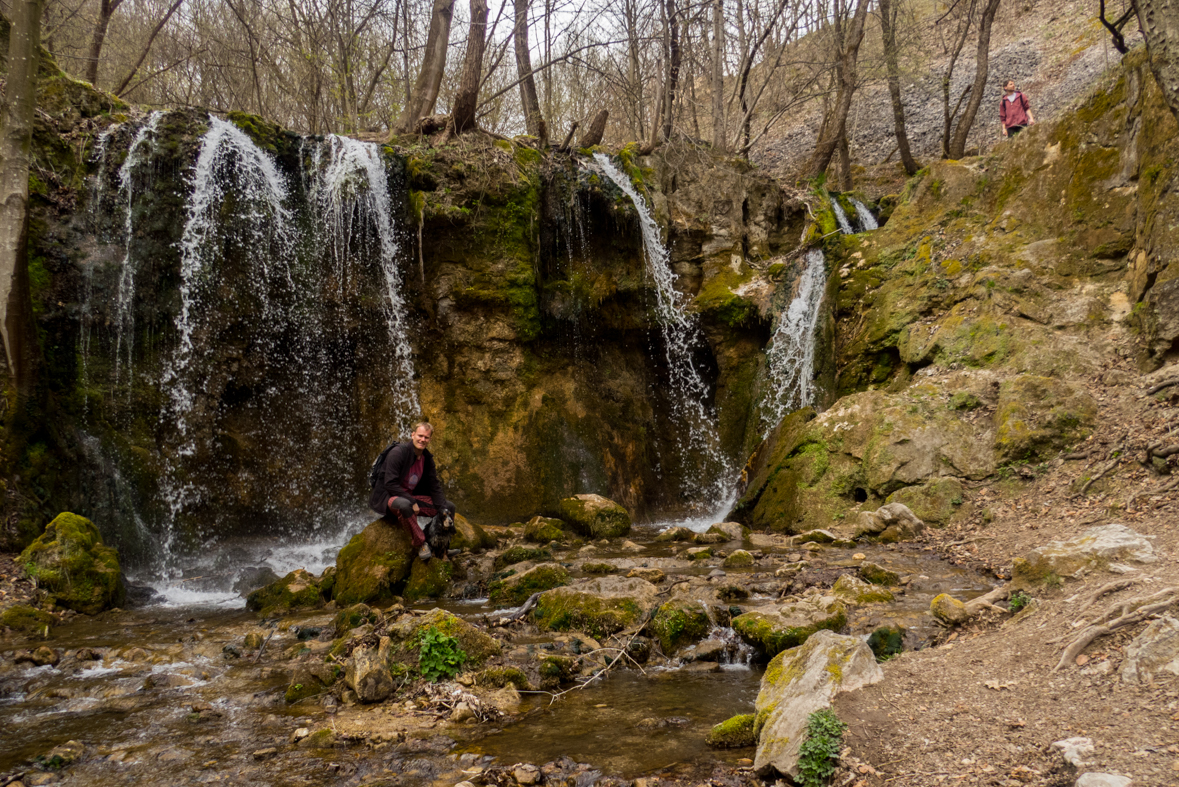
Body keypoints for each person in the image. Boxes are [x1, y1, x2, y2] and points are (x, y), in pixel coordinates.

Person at [368, 422, 455, 562]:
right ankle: (421, 543)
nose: (422, 440)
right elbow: (389, 484)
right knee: (405, 505)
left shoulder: (427, 459)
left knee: (449, 507)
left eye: (426, 437)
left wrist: (442, 507)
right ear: (412, 435)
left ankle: (442, 548)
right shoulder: (398, 453)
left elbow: (434, 486)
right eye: (420, 436)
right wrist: (412, 501)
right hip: (389, 497)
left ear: (430, 439)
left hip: (410, 496)